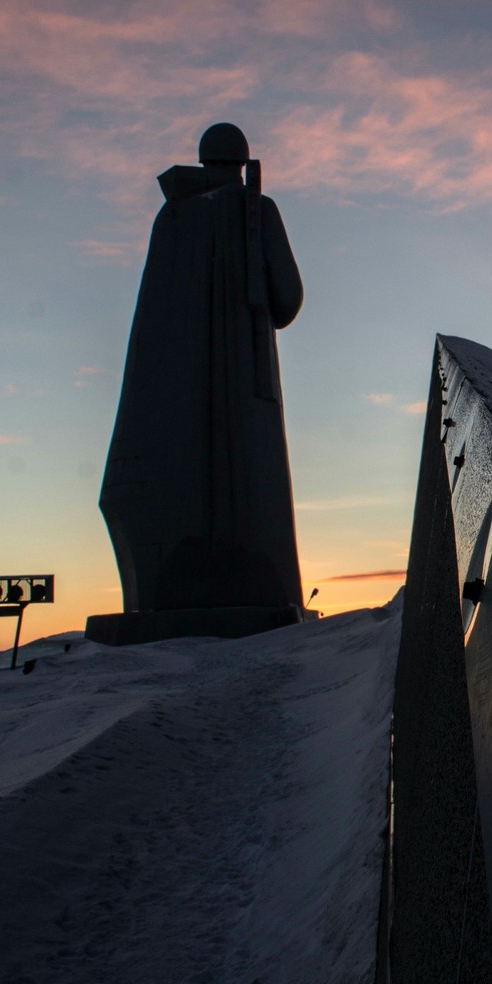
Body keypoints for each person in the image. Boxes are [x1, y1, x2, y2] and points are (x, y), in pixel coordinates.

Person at [90, 124, 305, 642]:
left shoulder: (172, 218)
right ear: (241, 161)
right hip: (245, 395)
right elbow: (288, 300)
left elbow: (152, 319)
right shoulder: (256, 209)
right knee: (248, 488)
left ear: (204, 160)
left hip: (174, 399)